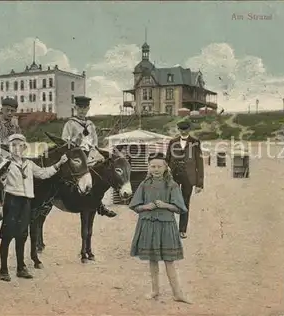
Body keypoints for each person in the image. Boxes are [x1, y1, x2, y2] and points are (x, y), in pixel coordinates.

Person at [0, 134, 68, 282]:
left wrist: (59, 164)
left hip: (26, 202)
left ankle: (21, 267)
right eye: (13, 145)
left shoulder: (29, 164)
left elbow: (43, 174)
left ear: (24, 148)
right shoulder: (5, 163)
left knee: (22, 234)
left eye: (20, 145)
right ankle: (3, 269)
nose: (17, 148)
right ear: (9, 148)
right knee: (7, 235)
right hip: (12, 201)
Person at [129, 152, 191, 304]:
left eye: (159, 166)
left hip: (166, 225)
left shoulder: (172, 185)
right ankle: (155, 290)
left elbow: (180, 208)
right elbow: (135, 206)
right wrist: (146, 206)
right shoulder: (144, 185)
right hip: (148, 224)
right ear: (148, 168)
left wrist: (165, 205)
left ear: (165, 167)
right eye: (153, 166)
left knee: (169, 261)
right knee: (152, 260)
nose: (156, 169)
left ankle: (178, 293)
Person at [61, 96, 116, 218]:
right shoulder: (70, 124)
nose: (82, 111)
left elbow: (94, 142)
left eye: (85, 108)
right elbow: (65, 141)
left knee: (102, 170)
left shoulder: (90, 124)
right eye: (80, 108)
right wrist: (76, 141)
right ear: (75, 108)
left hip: (89, 153)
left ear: (88, 109)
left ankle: (99, 203)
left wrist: (93, 152)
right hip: (76, 154)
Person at [165, 120, 204, 239]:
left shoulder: (195, 142)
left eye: (185, 129)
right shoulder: (172, 142)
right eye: (181, 130)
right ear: (178, 130)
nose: (183, 132)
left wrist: (199, 183)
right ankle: (170, 229)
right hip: (174, 177)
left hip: (189, 177)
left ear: (189, 130)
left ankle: (182, 230)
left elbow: (199, 163)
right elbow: (167, 159)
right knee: (171, 202)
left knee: (185, 203)